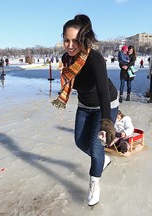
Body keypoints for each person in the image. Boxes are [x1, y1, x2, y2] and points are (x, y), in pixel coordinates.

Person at [51, 14, 119, 206]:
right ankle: (103, 160)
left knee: (96, 148)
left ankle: (94, 184)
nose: (70, 45)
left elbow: (103, 92)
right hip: (85, 105)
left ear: (84, 40)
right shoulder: (66, 59)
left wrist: (106, 121)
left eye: (75, 41)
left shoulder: (94, 59)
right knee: (80, 142)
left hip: (105, 104)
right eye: (66, 40)